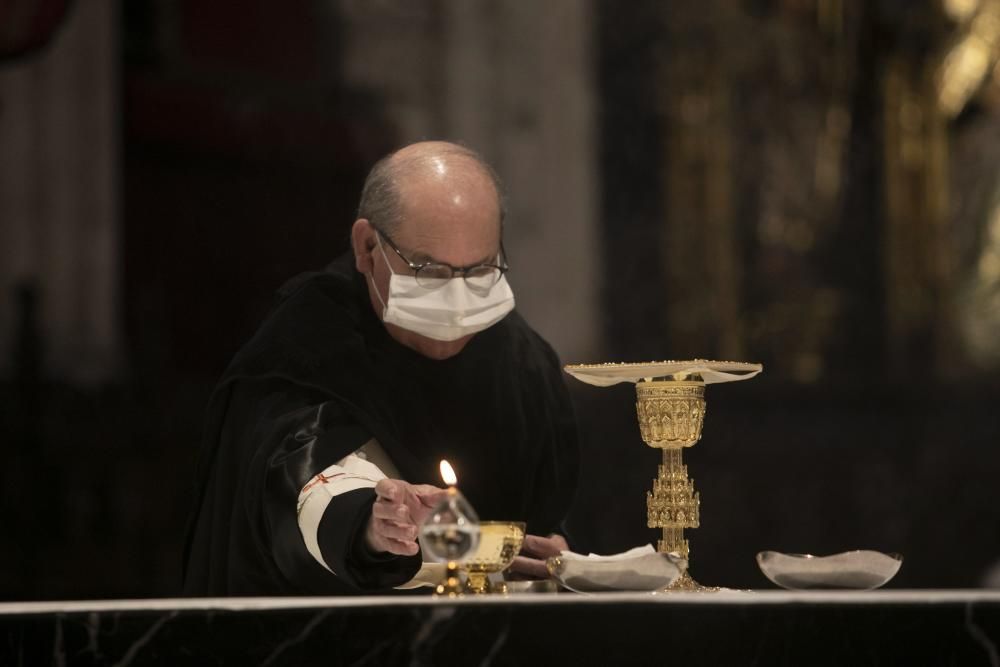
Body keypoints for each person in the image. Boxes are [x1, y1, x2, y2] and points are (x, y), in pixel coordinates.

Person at [183, 141, 579, 595]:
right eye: (429, 270)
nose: (458, 298)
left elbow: (548, 514)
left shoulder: (520, 358)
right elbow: (296, 479)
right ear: (367, 246)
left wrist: (557, 554)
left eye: (480, 269)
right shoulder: (307, 344)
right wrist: (373, 528)